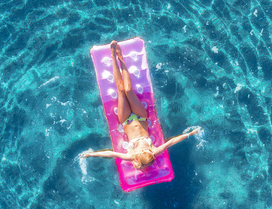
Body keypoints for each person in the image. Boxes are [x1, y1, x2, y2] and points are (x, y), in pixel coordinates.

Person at [82, 41, 200, 170]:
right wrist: (190, 134)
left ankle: (112, 57)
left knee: (120, 90)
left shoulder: (131, 155)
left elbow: (110, 153)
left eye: (144, 152)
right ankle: (121, 59)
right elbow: (171, 142)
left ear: (138, 157)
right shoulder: (154, 151)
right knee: (128, 89)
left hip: (126, 120)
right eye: (148, 152)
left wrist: (91, 154)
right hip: (141, 116)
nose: (146, 150)